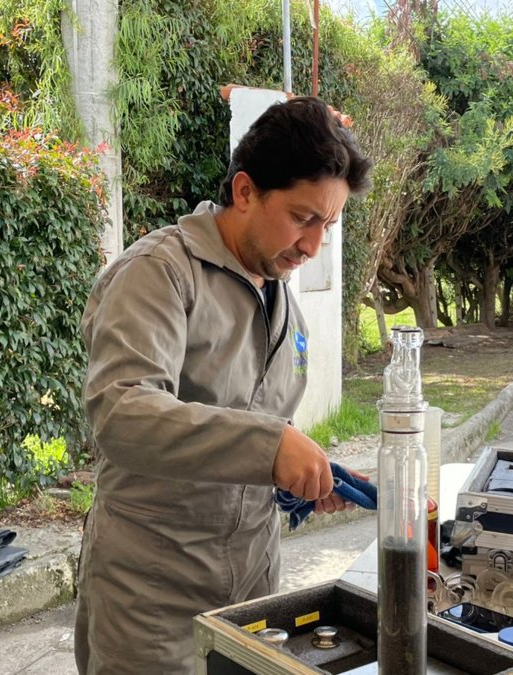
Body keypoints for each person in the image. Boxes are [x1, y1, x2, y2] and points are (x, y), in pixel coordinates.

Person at [74, 97, 373, 674]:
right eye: (302, 218)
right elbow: (122, 412)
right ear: (244, 192)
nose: (312, 247)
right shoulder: (160, 273)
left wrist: (299, 477)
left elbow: (252, 423)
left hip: (255, 593)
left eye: (327, 226)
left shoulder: (284, 303)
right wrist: (269, 447)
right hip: (151, 605)